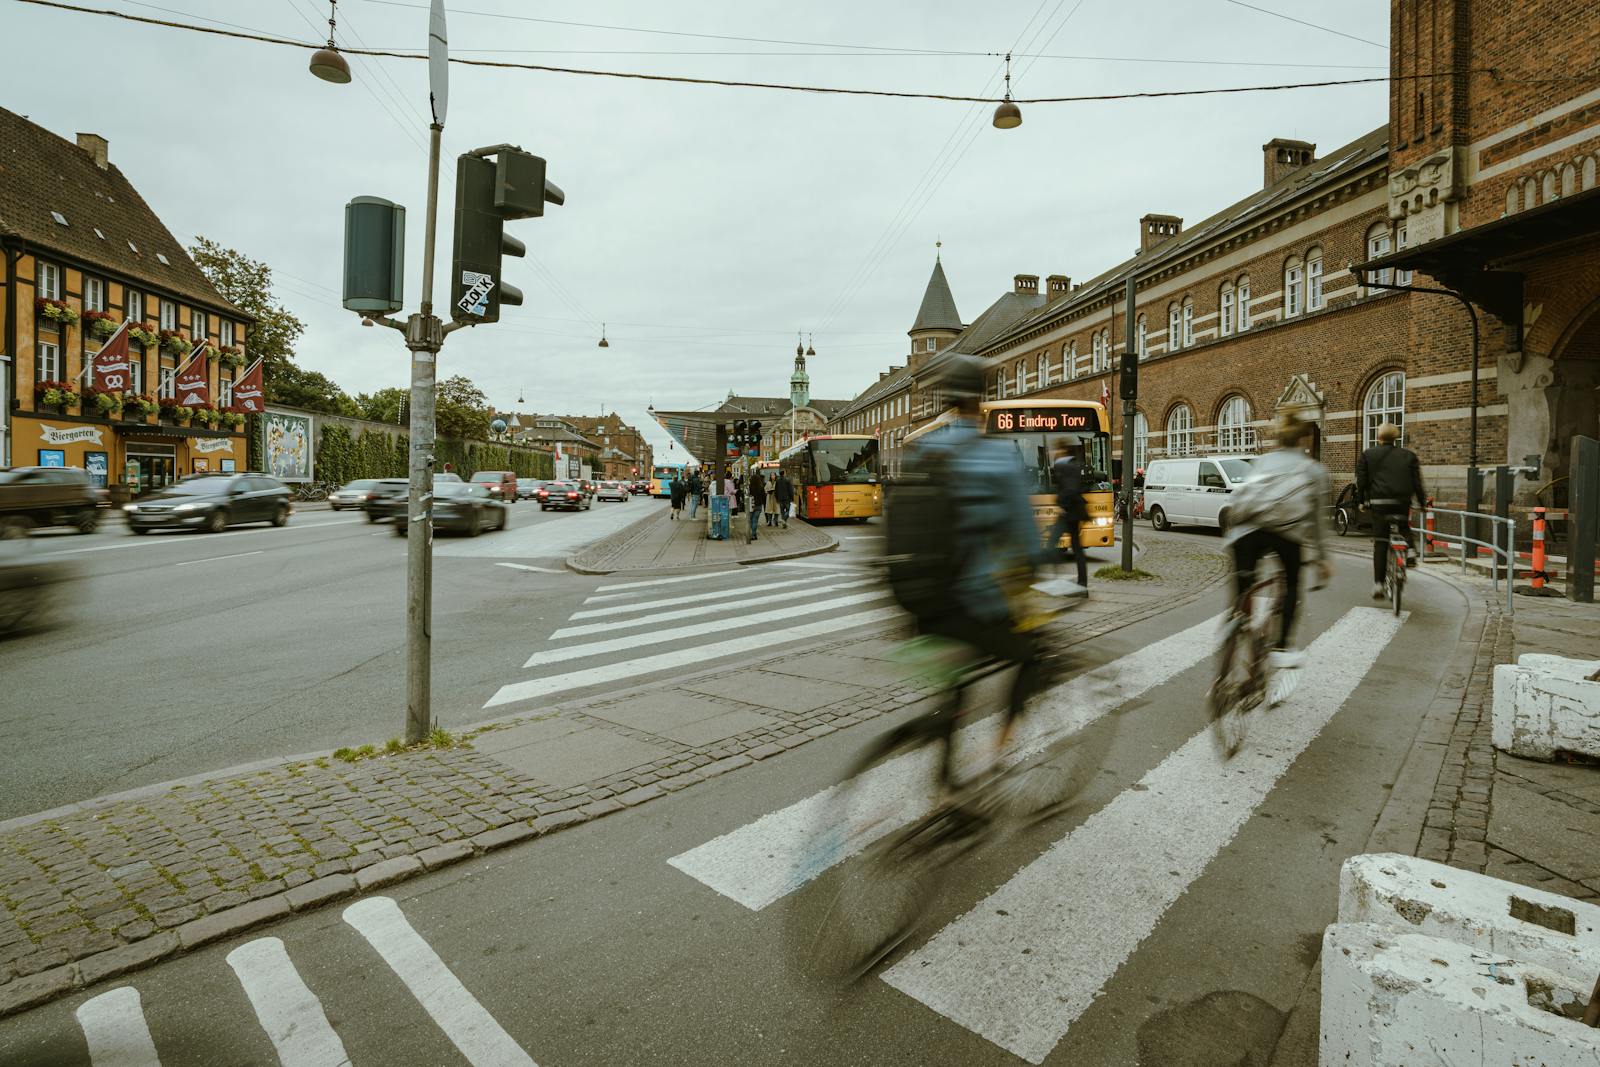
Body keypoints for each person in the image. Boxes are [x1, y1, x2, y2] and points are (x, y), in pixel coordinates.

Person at [882, 354, 1049, 790]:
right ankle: (997, 758)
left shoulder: (924, 449)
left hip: (916, 598)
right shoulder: (996, 457)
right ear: (984, 398)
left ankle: (945, 782)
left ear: (946, 400)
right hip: (970, 601)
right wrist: (1039, 572)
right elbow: (1028, 542)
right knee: (1033, 653)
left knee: (955, 683)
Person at [1222, 411, 1332, 701]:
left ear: (1277, 436)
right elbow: (1318, 522)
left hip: (1244, 533)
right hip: (1286, 534)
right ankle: (1282, 647)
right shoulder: (1313, 470)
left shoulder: (1263, 461)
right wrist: (1321, 559)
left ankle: (1236, 622)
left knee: (1245, 587)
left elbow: (1241, 498)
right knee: (1293, 581)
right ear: (1303, 437)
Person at [1356, 422, 1426, 598]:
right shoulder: (1409, 456)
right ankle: (1410, 551)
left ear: (1379, 437)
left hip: (1379, 502)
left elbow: (1362, 481)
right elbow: (1417, 482)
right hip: (1402, 501)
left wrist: (1361, 501)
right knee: (1403, 526)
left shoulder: (1368, 455)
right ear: (1396, 438)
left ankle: (1379, 585)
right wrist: (1422, 503)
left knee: (1381, 542)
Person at [1046, 442, 1089, 588]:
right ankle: (1082, 581)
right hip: (1074, 512)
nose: (1053, 452)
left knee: (1051, 543)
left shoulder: (1063, 466)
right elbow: (1080, 486)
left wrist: (1061, 504)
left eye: (1055, 449)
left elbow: (1070, 489)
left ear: (1063, 450)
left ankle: (1057, 578)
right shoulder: (1074, 465)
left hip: (1068, 512)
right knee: (1076, 547)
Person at [746, 467, 767, 541]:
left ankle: (753, 534)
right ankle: (754, 534)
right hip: (758, 506)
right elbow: (764, 497)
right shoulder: (761, 487)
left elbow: (747, 496)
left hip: (751, 506)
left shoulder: (749, 487)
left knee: (751, 520)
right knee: (755, 520)